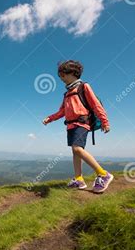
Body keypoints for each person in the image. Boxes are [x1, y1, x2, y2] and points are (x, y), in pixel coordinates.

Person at [43, 60, 113, 193]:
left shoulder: (84, 87)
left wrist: (105, 122)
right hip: (70, 126)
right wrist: (50, 118)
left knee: (77, 149)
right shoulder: (67, 94)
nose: (61, 78)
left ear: (73, 73)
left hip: (82, 123)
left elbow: (95, 105)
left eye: (63, 75)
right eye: (60, 76)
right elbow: (62, 112)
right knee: (76, 152)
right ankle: (79, 179)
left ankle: (103, 174)